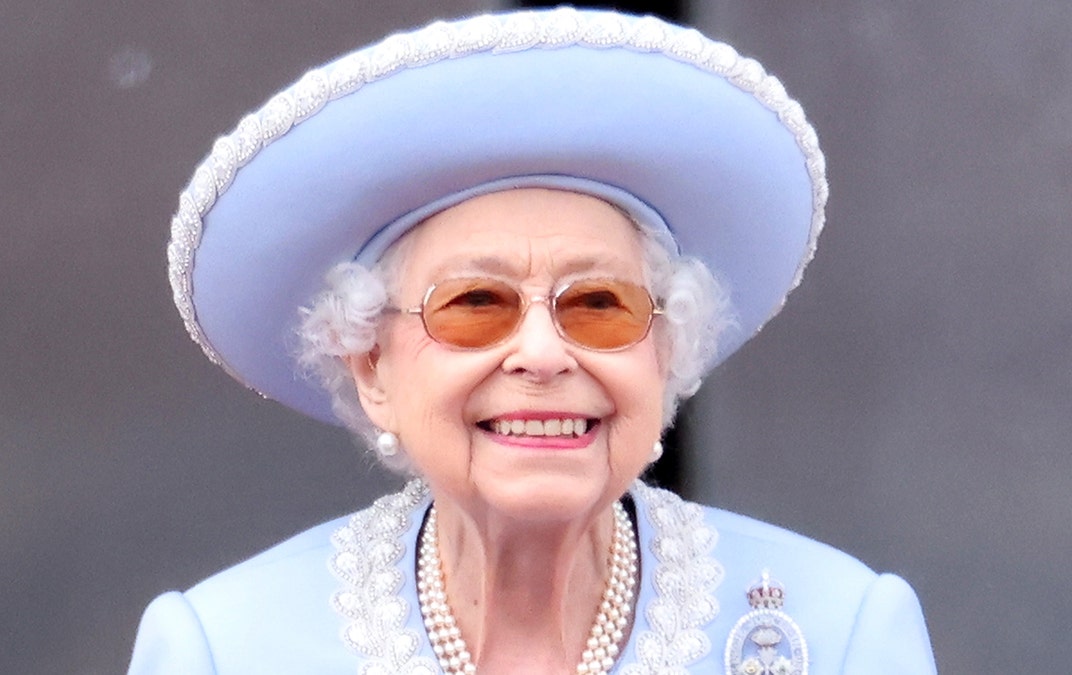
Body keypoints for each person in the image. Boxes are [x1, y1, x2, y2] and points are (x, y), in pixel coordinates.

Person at [130, 7, 936, 674]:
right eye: (476, 303)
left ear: (665, 353)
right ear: (372, 363)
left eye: (599, 304)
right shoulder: (225, 648)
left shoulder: (839, 633)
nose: (545, 355)